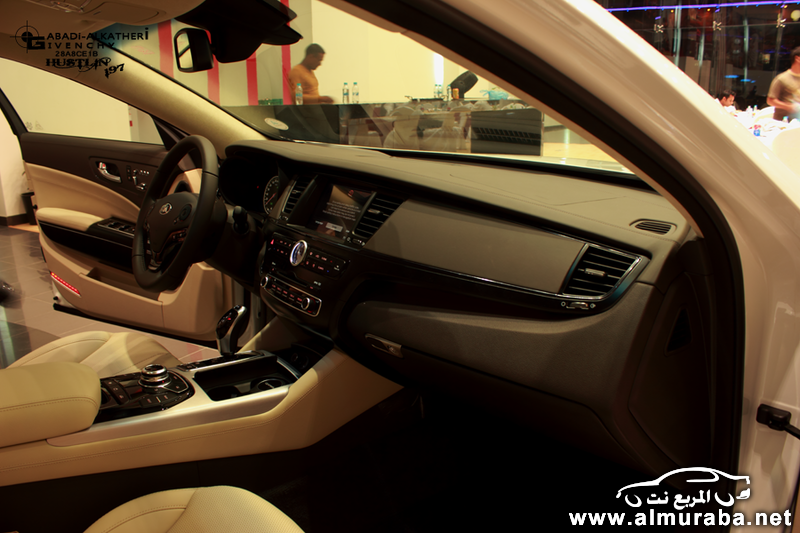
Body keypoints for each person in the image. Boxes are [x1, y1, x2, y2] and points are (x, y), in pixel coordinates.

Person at [767, 46, 800, 121]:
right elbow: (770, 100)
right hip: (783, 122)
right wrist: (789, 107)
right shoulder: (781, 78)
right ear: (797, 58)